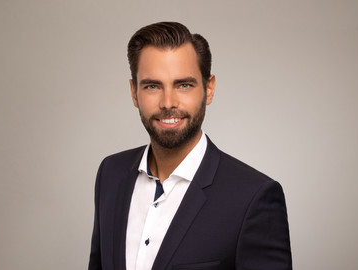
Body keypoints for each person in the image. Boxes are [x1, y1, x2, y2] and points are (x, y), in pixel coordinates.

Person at [88, 21, 292, 270]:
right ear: (134, 92)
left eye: (184, 85)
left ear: (209, 88)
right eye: (152, 86)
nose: (168, 102)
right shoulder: (111, 173)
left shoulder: (253, 197)